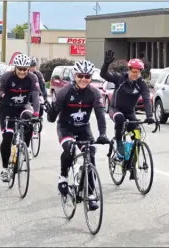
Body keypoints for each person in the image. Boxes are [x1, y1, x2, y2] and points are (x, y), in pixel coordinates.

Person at [46, 60, 110, 210]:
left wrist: (103, 134)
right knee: (69, 149)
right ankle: (63, 176)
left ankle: (91, 193)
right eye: (80, 75)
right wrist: (52, 111)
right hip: (65, 127)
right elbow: (51, 119)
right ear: (74, 75)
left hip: (83, 128)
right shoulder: (64, 92)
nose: (83, 79)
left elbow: (100, 114)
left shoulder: (94, 93)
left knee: (90, 153)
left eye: (87, 76)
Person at [0, 53, 40, 182]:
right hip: (6, 108)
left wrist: (36, 113)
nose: (23, 72)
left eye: (25, 69)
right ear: (15, 68)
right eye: (20, 69)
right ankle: (4, 169)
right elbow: (0, 89)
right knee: (7, 138)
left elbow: (35, 96)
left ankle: (26, 147)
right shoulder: (7, 76)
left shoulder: (32, 78)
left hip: (23, 106)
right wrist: (0, 96)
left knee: (30, 119)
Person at [100, 50, 155, 159]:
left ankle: (133, 162)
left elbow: (146, 99)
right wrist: (106, 64)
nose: (135, 74)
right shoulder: (120, 78)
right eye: (133, 72)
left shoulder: (141, 84)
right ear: (128, 70)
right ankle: (119, 143)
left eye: (138, 72)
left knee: (136, 132)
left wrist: (149, 116)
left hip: (130, 112)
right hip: (115, 109)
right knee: (120, 118)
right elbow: (103, 74)